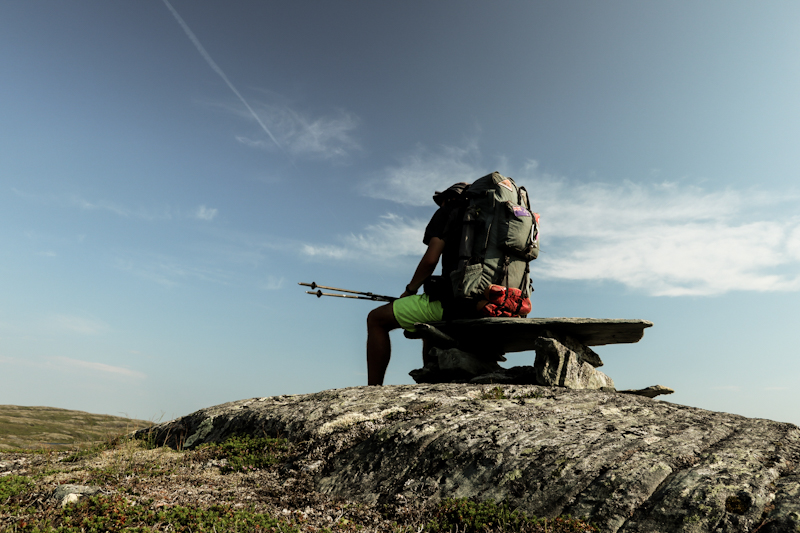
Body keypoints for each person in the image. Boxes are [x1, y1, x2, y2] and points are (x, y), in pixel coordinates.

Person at [366, 182, 469, 385]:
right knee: (427, 321)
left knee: (376, 319)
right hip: (498, 303)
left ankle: (372, 390)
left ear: (448, 198)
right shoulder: (489, 222)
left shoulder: (449, 211)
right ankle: (430, 378)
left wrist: (410, 290)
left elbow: (431, 260)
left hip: (456, 304)